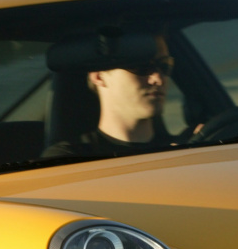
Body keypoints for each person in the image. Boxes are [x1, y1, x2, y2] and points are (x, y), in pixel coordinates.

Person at [40, 29, 182, 158]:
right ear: (99, 77)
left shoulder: (186, 149)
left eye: (165, 65)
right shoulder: (68, 159)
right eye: (141, 66)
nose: (158, 79)